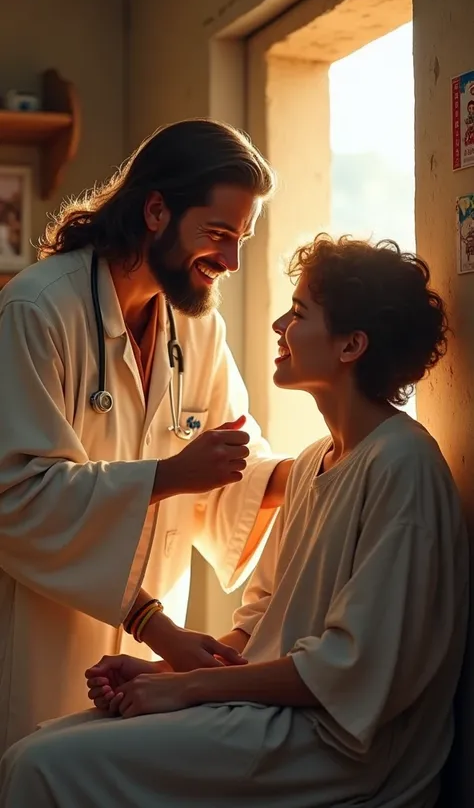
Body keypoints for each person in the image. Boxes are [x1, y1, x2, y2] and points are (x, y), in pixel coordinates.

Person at [0, 235, 468, 808]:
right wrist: (164, 673)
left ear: (352, 345)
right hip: (273, 716)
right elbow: (259, 625)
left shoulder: (402, 467)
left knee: (47, 769)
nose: (278, 325)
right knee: (34, 751)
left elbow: (348, 672)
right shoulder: (314, 462)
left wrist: (189, 688)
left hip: (338, 747)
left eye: (297, 314)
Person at [0, 119, 293, 755]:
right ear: (156, 210)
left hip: (143, 662)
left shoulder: (199, 329)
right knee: (34, 770)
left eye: (241, 240)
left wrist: (314, 476)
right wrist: (167, 478)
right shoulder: (36, 310)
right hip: (43, 641)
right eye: (218, 235)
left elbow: (230, 458)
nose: (231, 261)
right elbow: (15, 499)